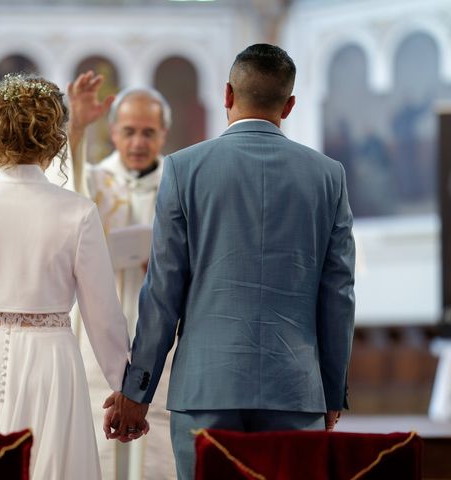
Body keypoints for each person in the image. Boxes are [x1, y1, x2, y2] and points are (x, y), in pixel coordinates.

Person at [105, 43, 356, 480]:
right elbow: (338, 295)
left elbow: (163, 290)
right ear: (290, 105)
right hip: (295, 392)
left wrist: (136, 391)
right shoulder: (327, 175)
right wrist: (331, 392)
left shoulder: (184, 169)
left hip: (206, 388)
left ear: (226, 94)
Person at [0, 73, 130, 480]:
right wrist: (122, 385)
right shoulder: (77, 211)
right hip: (49, 363)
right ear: (55, 138)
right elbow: (103, 315)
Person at [66, 72, 177, 480]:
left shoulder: (179, 182)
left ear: (164, 134)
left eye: (149, 132)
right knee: (98, 433)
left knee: (159, 433)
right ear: (113, 131)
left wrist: (173, 264)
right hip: (104, 315)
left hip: (162, 324)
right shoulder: (94, 178)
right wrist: (77, 126)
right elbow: (65, 188)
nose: (138, 142)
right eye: (128, 131)